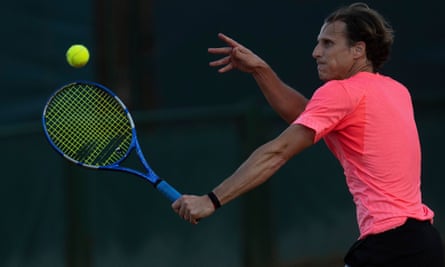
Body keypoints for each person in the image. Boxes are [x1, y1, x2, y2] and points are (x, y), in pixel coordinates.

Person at [172, 2, 444, 266]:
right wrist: (261, 70)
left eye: (328, 43)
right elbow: (306, 117)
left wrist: (211, 200)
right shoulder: (397, 91)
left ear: (358, 50)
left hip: (389, 247)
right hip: (423, 243)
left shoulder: (341, 92)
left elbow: (278, 151)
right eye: (318, 42)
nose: (316, 52)